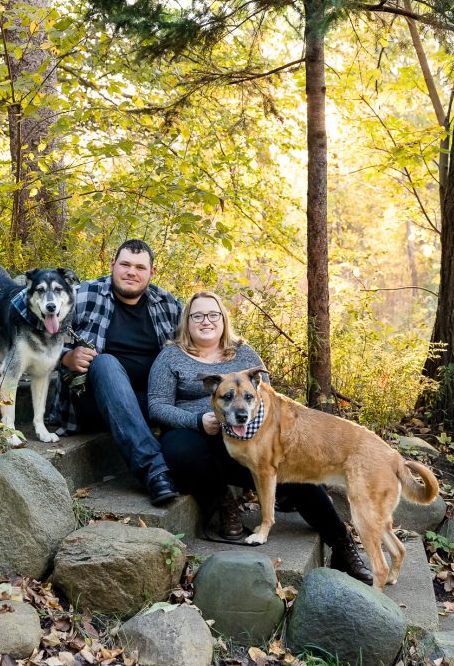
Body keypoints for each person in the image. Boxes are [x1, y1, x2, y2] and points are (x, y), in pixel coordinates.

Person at [147, 290, 374, 584]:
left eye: (213, 315)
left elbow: (269, 402)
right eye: (198, 315)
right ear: (187, 321)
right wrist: (197, 420)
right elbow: (156, 405)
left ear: (223, 320)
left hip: (250, 439)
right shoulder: (171, 356)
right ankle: (224, 502)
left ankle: (342, 544)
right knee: (179, 450)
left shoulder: (245, 354)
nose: (206, 321)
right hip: (196, 436)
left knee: (297, 474)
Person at [58, 239, 183, 505]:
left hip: (149, 401)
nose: (131, 272)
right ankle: (154, 471)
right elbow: (41, 341)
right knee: (105, 363)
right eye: (125, 264)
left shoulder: (169, 305)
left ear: (152, 272)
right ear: (113, 265)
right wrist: (66, 357)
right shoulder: (82, 295)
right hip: (91, 399)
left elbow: (203, 347)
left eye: (140, 267)